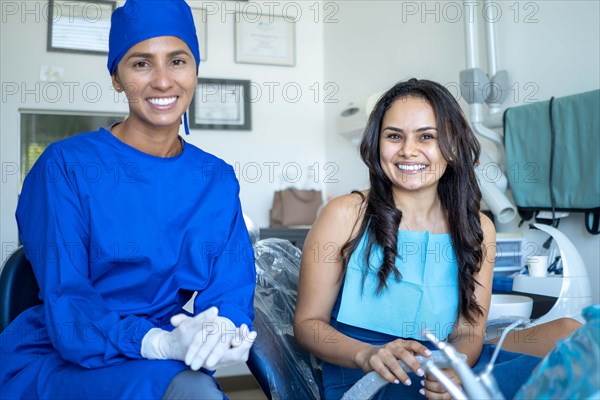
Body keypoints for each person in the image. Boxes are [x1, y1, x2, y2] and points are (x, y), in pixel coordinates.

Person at [0, 1, 256, 399]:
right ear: (117, 77)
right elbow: (68, 301)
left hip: (158, 357)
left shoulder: (215, 178)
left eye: (177, 60)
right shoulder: (65, 166)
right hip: (62, 357)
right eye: (140, 64)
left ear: (195, 70)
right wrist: (157, 342)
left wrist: (221, 326)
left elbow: (231, 285)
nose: (163, 81)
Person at [294, 78, 580, 399]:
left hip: (442, 360)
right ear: (377, 143)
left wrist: (456, 370)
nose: (408, 150)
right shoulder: (346, 213)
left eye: (426, 136)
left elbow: (469, 331)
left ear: (453, 146)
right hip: (373, 369)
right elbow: (308, 324)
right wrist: (366, 355)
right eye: (394, 136)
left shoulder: (477, 227)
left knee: (573, 336)